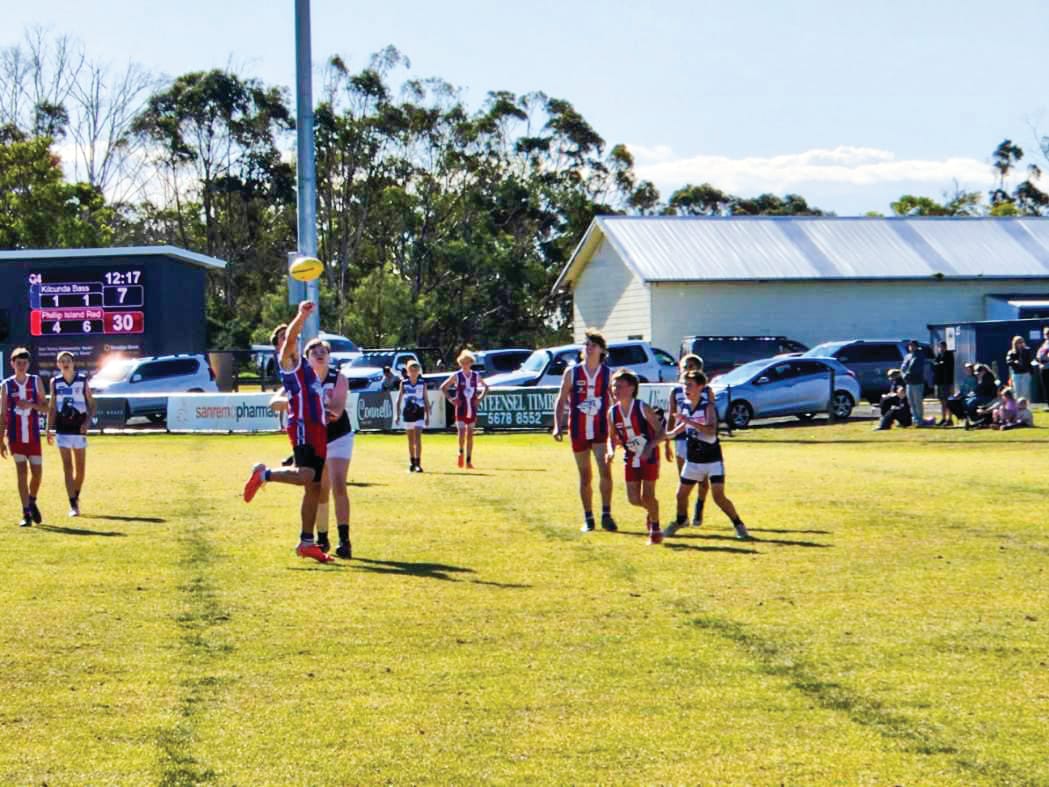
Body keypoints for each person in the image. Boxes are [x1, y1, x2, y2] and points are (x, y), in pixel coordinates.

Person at [243, 301, 333, 564]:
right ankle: (264, 474)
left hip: (317, 427)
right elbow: (293, 337)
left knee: (315, 486)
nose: (289, 339)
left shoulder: (304, 366)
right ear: (279, 345)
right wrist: (302, 316)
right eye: (284, 338)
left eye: (289, 336)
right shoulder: (287, 360)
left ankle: (307, 542)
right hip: (303, 424)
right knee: (306, 476)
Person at [664, 370, 750, 540]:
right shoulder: (686, 405)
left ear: (700, 387)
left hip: (711, 459)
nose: (685, 388)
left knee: (718, 496)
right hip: (693, 458)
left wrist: (688, 421)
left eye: (689, 384)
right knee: (681, 495)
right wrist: (668, 435)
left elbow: (711, 432)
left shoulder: (707, 407)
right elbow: (681, 427)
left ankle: (739, 525)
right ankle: (681, 520)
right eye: (684, 384)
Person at [552, 330, 616, 533]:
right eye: (586, 345)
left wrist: (616, 432)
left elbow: (614, 404)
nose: (588, 348)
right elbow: (561, 399)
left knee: (605, 471)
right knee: (585, 475)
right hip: (578, 430)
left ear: (601, 350)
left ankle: (606, 514)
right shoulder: (572, 373)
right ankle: (588, 518)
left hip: (600, 430)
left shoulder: (608, 374)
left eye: (593, 345)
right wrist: (557, 425)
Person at [606, 368, 665, 545]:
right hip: (631, 457)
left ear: (632, 388)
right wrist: (610, 451)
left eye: (620, 386)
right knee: (633, 499)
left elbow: (661, 432)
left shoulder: (642, 407)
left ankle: (655, 529)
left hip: (649, 456)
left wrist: (650, 447)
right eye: (614, 386)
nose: (615, 389)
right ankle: (653, 510)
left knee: (648, 495)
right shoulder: (612, 412)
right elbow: (612, 437)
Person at [309, 338, 354, 559]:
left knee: (338, 485)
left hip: (338, 436)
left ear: (329, 356)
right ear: (308, 357)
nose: (319, 354)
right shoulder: (303, 380)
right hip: (316, 439)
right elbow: (282, 397)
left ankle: (344, 540)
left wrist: (309, 412)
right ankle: (322, 537)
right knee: (319, 488)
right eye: (315, 351)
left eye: (323, 351)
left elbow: (336, 410)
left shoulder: (339, 378)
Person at [1, 348, 48, 526]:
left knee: (37, 474)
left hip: (33, 436)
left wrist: (30, 404)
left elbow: (46, 408)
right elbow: (2, 414)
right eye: (18, 363)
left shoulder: (35, 381)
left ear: (28, 364)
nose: (21, 366)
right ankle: (26, 512)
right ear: (12, 364)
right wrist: (0, 440)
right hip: (15, 436)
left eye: (24, 363)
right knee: (22, 472)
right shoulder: (6, 385)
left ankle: (32, 500)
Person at [45, 351, 96, 516]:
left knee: (80, 470)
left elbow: (92, 404)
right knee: (67, 467)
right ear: (58, 365)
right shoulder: (55, 382)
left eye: (67, 360)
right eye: (61, 361)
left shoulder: (82, 380)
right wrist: (48, 428)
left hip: (78, 428)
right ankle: (73, 504)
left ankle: (76, 495)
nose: (64, 363)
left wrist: (87, 422)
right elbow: (52, 406)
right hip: (62, 429)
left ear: (73, 363)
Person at [664, 353, 710, 527]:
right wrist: (668, 441)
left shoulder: (706, 391)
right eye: (686, 367)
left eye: (693, 366)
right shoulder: (676, 391)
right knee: (685, 478)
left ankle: (699, 507)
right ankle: (683, 515)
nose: (689, 370)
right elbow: (671, 416)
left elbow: (710, 416)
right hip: (682, 438)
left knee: (703, 478)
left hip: (701, 438)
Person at [441, 350, 488, 469]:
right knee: (461, 432)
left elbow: (486, 387)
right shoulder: (457, 376)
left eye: (468, 362)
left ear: (471, 363)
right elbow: (443, 387)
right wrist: (451, 399)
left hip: (471, 407)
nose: (465, 364)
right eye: (463, 362)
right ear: (460, 363)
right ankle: (460, 452)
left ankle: (469, 460)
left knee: (470, 433)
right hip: (461, 407)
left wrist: (479, 398)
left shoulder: (475, 376)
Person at [395, 360, 430, 472]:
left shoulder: (422, 383)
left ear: (418, 371)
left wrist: (427, 416)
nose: (414, 372)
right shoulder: (404, 383)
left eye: (416, 370)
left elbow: (426, 399)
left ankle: (418, 463)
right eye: (411, 370)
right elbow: (398, 399)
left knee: (418, 438)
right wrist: (397, 415)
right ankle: (412, 462)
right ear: (408, 371)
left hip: (419, 412)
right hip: (408, 412)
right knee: (410, 439)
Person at [900, 340, 926, 425]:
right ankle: (914, 419)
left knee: (917, 401)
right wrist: (904, 375)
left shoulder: (919, 355)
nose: (910, 347)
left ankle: (920, 420)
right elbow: (903, 367)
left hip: (917, 382)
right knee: (911, 402)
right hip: (909, 382)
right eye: (909, 345)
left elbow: (914, 368)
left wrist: (906, 375)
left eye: (912, 345)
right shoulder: (907, 356)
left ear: (916, 346)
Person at [932, 341, 955, 426]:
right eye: (939, 347)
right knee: (942, 401)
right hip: (939, 381)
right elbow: (935, 366)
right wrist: (938, 365)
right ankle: (943, 418)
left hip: (946, 382)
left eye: (942, 347)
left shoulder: (949, 355)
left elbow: (945, 367)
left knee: (948, 400)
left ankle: (950, 419)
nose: (941, 348)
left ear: (945, 347)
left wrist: (939, 365)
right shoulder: (938, 356)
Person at [1005, 335, 1034, 404]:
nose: (1020, 344)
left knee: (1025, 391)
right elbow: (1008, 361)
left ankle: (1026, 406)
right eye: (1018, 342)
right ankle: (1017, 407)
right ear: (1014, 343)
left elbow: (1029, 360)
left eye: (1021, 342)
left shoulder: (1027, 350)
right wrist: (1015, 362)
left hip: (1025, 373)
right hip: (1016, 374)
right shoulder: (1011, 352)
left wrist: (1022, 351)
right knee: (1017, 391)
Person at [1034, 326, 1049, 411]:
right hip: (1043, 368)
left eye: (1048, 334)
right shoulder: (1044, 344)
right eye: (1046, 334)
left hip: (1047, 366)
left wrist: (1044, 359)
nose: (1047, 335)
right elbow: (1039, 355)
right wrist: (1039, 360)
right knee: (1046, 387)